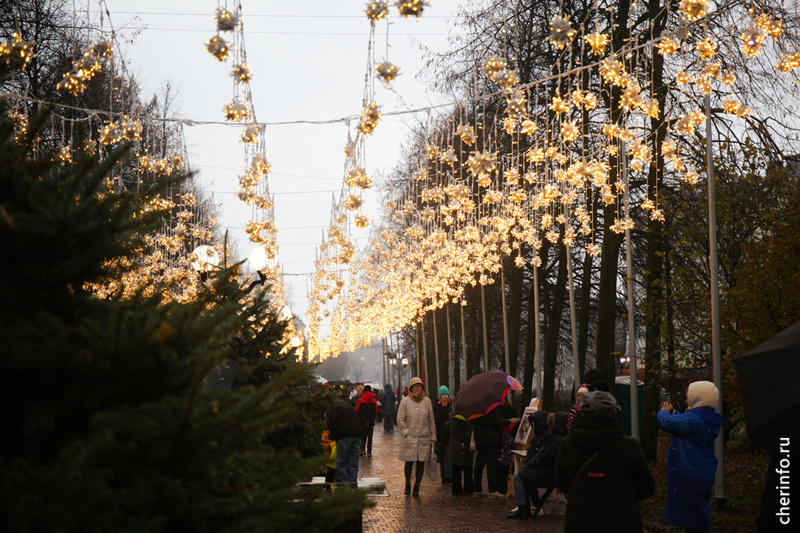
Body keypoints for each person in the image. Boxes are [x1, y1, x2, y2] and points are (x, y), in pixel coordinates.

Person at [555, 391, 655, 532]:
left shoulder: (568, 445)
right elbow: (646, 488)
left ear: (581, 412)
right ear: (614, 413)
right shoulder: (628, 446)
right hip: (622, 522)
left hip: (580, 521)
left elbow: (561, 482)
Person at [657, 380, 723, 533]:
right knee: (696, 516)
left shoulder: (695, 420)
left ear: (698, 398)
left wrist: (664, 413)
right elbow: (685, 424)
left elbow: (668, 423)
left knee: (695, 520)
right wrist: (674, 413)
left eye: (689, 397)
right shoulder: (703, 418)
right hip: (699, 472)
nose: (686, 400)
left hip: (691, 474)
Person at [507, 410, 568, 519]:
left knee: (520, 477)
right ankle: (533, 505)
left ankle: (524, 507)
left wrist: (533, 463)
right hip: (550, 470)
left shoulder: (555, 439)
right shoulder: (557, 438)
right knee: (525, 475)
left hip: (549, 472)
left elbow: (545, 456)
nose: (532, 425)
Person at [396, 376, 436, 497]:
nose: (418, 388)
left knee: (420, 463)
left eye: (419, 386)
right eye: (415, 386)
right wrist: (406, 432)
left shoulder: (427, 401)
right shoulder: (405, 402)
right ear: (411, 389)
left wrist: (433, 435)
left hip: (423, 437)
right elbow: (400, 419)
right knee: (408, 462)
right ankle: (407, 483)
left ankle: (417, 486)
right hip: (410, 437)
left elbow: (431, 420)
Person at [472, 400, 520, 499]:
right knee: (491, 464)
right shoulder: (493, 404)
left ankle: (477, 489)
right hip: (491, 438)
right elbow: (497, 422)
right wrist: (510, 420)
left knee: (479, 462)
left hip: (480, 437)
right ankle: (492, 490)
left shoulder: (477, 404)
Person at [327, 395, 363, 484]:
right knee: (353, 462)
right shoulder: (348, 406)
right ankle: (353, 483)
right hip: (357, 435)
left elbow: (331, 422)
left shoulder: (333, 408)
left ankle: (343, 484)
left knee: (341, 462)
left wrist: (332, 433)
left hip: (344, 436)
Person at [447, 411, 474, 495]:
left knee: (465, 466)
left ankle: (466, 487)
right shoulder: (456, 416)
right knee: (459, 467)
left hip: (462, 444)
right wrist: (466, 438)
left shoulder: (466, 415)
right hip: (460, 444)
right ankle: (461, 488)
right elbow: (455, 431)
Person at [496, 394, 518, 495]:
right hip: (499, 441)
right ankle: (501, 489)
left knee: (507, 465)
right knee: (500, 466)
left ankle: (504, 489)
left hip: (508, 441)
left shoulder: (511, 410)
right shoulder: (496, 411)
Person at [433, 385, 453, 483]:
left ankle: (449, 475)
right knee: (441, 456)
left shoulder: (452, 406)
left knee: (448, 455)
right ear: (440, 396)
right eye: (443, 395)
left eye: (446, 394)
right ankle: (443, 476)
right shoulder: (436, 408)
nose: (445, 396)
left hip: (450, 435)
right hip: (440, 436)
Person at [355, 384, 377, 457]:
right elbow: (376, 411)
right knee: (370, 437)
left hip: (362, 421)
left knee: (363, 436)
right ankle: (369, 451)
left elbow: (357, 410)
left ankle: (362, 449)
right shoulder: (374, 400)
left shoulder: (360, 400)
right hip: (370, 421)